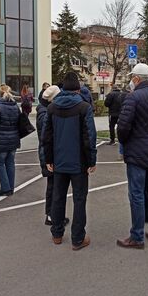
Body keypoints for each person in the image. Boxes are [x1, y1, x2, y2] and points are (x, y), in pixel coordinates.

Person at [42, 72, 97, 251]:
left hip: (58, 161)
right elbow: (89, 136)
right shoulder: (84, 107)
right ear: (78, 89)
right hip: (78, 162)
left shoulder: (51, 108)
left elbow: (47, 137)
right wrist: (91, 160)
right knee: (79, 199)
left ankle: (57, 234)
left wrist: (48, 159)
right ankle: (77, 238)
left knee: (58, 197)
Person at [116, 63, 148, 249]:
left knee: (136, 193)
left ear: (136, 78)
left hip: (137, 149)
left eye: (132, 78)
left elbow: (123, 126)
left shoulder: (133, 98)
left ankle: (137, 236)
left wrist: (125, 142)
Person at [36, 85, 69, 226]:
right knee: (53, 186)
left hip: (48, 153)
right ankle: (51, 215)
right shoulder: (45, 113)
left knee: (54, 185)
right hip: (48, 154)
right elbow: (47, 136)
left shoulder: (44, 110)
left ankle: (52, 214)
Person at [0, 85, 21, 197]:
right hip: (13, 139)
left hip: (1, 139)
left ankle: (5, 187)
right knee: (10, 163)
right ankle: (10, 187)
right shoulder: (15, 106)